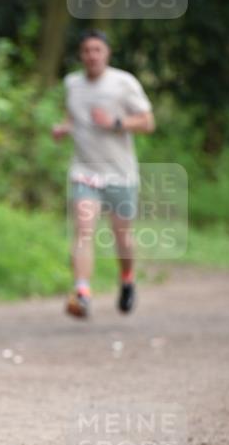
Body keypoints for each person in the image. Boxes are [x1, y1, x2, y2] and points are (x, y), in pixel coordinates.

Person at [52, 30, 154, 318]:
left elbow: (148, 122)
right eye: (87, 50)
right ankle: (82, 293)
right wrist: (64, 128)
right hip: (85, 171)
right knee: (83, 230)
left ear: (107, 53)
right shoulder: (72, 83)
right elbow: (74, 117)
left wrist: (116, 122)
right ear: (81, 55)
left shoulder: (124, 82)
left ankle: (127, 279)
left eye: (97, 50)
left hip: (120, 173)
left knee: (122, 237)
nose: (92, 55)